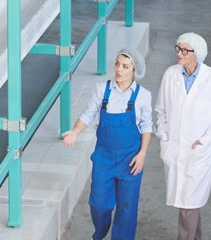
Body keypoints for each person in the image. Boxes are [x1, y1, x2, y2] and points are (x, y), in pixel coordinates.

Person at [62, 48, 153, 240]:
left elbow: (146, 126)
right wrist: (75, 132)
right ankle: (100, 233)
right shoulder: (102, 90)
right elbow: (87, 115)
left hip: (131, 160)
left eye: (125, 66)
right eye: (117, 64)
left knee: (127, 208)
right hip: (104, 158)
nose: (119, 69)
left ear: (134, 71)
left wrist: (143, 153)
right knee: (99, 204)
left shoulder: (143, 95)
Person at [155, 32, 211, 240]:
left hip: (199, 153)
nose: (179, 54)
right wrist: (164, 137)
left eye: (185, 50)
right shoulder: (170, 75)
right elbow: (161, 110)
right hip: (174, 148)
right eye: (178, 49)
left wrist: (208, 140)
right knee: (189, 205)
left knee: (188, 208)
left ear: (197, 54)